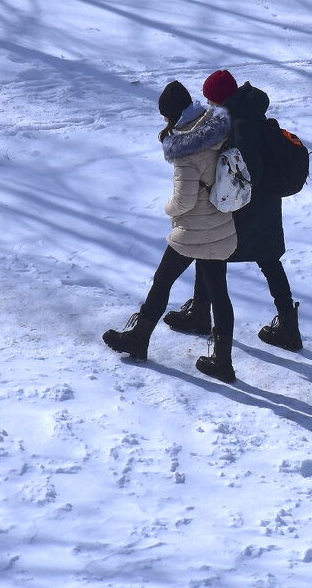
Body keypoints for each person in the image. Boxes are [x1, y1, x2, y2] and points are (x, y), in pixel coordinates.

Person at [102, 80, 240, 383]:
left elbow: (184, 201)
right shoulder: (215, 126)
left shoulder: (186, 149)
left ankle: (139, 338)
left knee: (162, 280)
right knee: (220, 294)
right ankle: (224, 361)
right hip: (220, 224)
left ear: (172, 115)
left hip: (194, 229)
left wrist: (168, 209)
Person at [162, 69, 303, 352]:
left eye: (211, 101)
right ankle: (287, 323)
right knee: (268, 260)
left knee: (209, 247)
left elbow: (248, 169)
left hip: (247, 206)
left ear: (220, 98)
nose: (209, 106)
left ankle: (201, 313)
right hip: (265, 204)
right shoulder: (248, 113)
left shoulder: (240, 123)